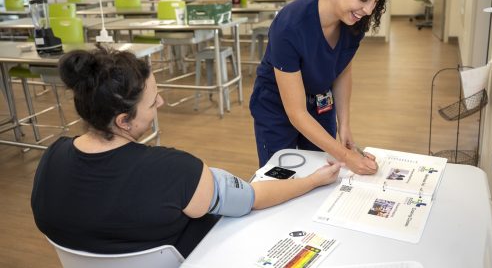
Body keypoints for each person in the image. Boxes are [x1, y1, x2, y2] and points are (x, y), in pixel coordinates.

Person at [31, 45, 340, 258]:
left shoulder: (52, 156)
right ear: (123, 120)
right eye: (153, 102)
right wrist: (313, 181)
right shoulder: (175, 171)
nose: (161, 104)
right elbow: (252, 198)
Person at [249, 0, 395, 174]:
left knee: (322, 171)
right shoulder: (290, 25)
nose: (369, 10)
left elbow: (342, 69)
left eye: (376, 1)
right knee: (279, 176)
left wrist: (344, 125)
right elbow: (295, 112)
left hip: (320, 101)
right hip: (277, 107)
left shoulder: (354, 21)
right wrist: (347, 157)